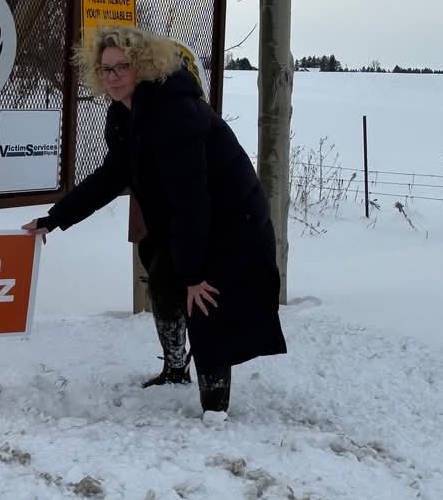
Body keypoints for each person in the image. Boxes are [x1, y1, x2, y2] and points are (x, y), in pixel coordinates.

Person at [23, 25, 286, 416]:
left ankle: (215, 408)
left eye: (122, 67)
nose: (112, 77)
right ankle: (176, 367)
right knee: (163, 278)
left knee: (205, 301)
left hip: (234, 219)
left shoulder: (173, 113)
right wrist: (55, 218)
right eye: (106, 69)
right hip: (195, 217)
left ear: (143, 66)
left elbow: (191, 200)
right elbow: (112, 177)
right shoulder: (126, 114)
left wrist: (195, 274)